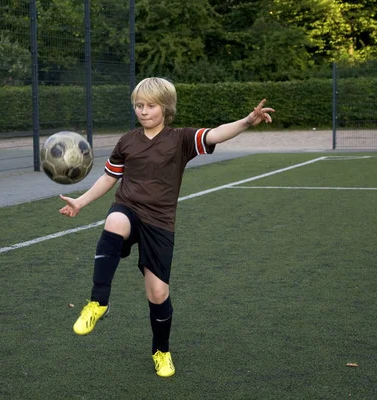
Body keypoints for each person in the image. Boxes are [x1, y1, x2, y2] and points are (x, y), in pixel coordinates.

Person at [59, 77, 274, 378]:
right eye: (138, 105)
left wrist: (248, 121)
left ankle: (161, 350)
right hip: (129, 209)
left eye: (150, 106)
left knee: (158, 292)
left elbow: (215, 134)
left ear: (166, 108)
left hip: (159, 222)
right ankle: (98, 302)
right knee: (114, 220)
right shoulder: (127, 142)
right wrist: (80, 202)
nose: (143, 111)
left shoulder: (181, 139)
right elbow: (109, 178)